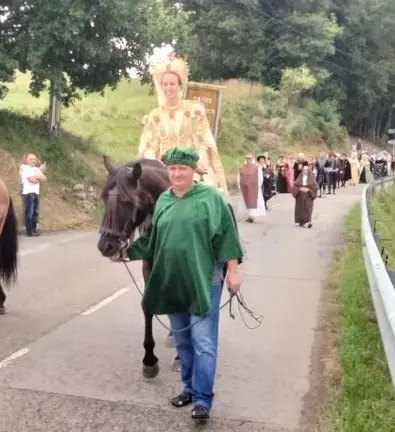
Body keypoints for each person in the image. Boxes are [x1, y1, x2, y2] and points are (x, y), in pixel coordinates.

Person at [110, 147, 244, 422]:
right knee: (182, 339)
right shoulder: (164, 201)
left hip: (204, 277)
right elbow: (152, 239)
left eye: (183, 168)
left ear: (193, 170)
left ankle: (203, 399)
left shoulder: (211, 198)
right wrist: (126, 252)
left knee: (203, 340)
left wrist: (233, 271)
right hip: (173, 278)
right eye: (172, 168)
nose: (177, 173)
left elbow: (228, 236)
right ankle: (190, 389)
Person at [137, 55, 228, 196]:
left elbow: (203, 142)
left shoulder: (194, 111)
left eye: (172, 84)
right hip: (164, 171)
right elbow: (150, 146)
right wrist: (153, 166)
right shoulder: (154, 116)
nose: (168, 88)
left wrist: (197, 162)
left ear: (180, 86)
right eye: (165, 84)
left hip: (191, 168)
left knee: (210, 193)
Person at [21, 153, 46, 236]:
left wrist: (37, 178)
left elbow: (44, 178)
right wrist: (38, 178)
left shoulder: (36, 169)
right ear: (27, 160)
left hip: (36, 192)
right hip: (28, 193)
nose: (33, 161)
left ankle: (34, 229)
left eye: (34, 159)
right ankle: (29, 231)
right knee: (29, 212)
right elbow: (32, 180)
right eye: (31, 159)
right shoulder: (25, 169)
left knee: (35, 212)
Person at [236, 154, 265, 223]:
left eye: (249, 158)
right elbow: (239, 177)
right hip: (245, 188)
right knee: (246, 201)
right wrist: (240, 186)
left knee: (254, 201)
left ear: (252, 159)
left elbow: (260, 177)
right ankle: (249, 216)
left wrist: (258, 186)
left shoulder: (257, 167)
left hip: (254, 188)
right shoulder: (242, 167)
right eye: (247, 158)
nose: (248, 159)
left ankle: (252, 216)